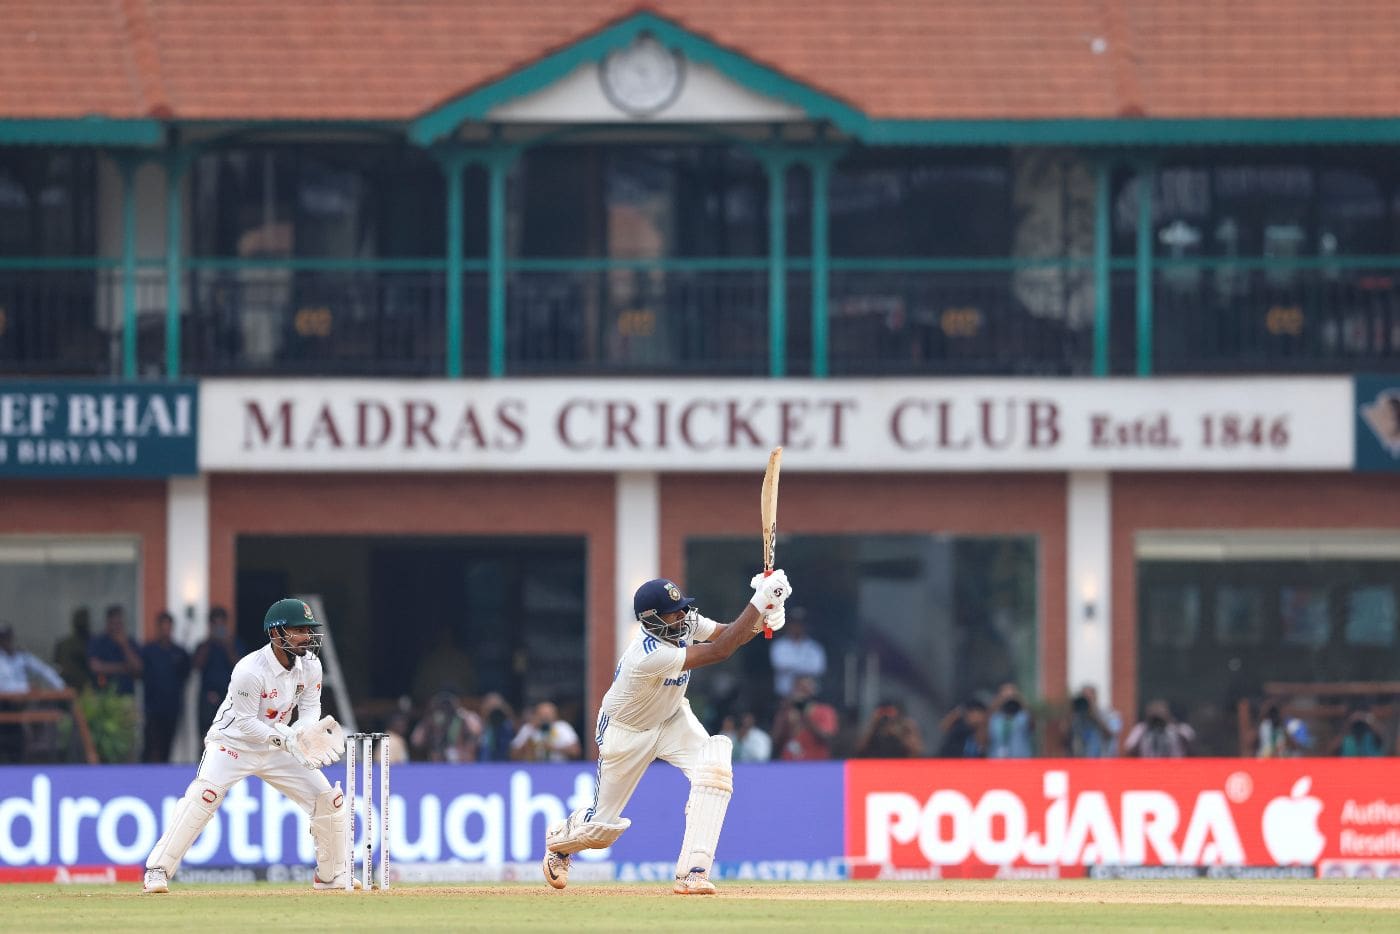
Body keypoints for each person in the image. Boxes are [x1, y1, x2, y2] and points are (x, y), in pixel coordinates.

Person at [541, 570, 790, 896]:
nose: (684, 616)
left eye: (684, 608)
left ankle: (693, 872)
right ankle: (560, 842)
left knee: (713, 769)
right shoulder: (646, 655)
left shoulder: (685, 623)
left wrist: (763, 616)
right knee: (599, 832)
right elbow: (720, 651)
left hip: (672, 717)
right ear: (653, 619)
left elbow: (727, 634)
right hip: (626, 733)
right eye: (675, 612)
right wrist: (758, 602)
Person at [143, 598, 348, 894]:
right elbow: (244, 723)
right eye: (299, 629)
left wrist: (301, 734)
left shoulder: (311, 665)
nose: (307, 636)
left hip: (279, 746)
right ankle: (157, 871)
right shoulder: (250, 670)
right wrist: (285, 738)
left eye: (308, 629)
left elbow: (310, 709)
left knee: (329, 800)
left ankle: (330, 877)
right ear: (276, 634)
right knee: (204, 796)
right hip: (233, 744)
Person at [0, 622, 67, 763]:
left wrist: (61, 687)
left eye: (8, 637)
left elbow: (44, 671)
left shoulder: (21, 657)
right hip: (4, 707)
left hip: (22, 708)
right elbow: (4, 686)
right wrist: (26, 688)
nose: (6, 641)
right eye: (3, 638)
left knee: (21, 744)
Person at [140, 611, 192, 763]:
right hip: (152, 706)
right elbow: (139, 671)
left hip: (172, 707)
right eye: (162, 627)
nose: (165, 630)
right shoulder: (148, 651)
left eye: (168, 627)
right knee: (151, 745)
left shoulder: (179, 652)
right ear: (158, 628)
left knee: (167, 746)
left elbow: (186, 675)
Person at [192, 606, 244, 734]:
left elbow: (240, 667)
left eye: (221, 624)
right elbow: (197, 666)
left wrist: (228, 645)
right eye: (215, 624)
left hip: (229, 698)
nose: (218, 628)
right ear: (210, 625)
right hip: (207, 697)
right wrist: (209, 641)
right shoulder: (203, 645)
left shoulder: (235, 644)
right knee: (205, 736)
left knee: (229, 736)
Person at [771, 675, 839, 760]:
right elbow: (775, 741)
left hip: (816, 765)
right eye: (797, 688)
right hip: (789, 764)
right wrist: (784, 712)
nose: (800, 693)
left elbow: (827, 737)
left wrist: (804, 714)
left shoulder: (825, 711)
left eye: (804, 689)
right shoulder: (787, 711)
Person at [768, 607, 826, 699]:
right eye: (794, 623)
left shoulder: (814, 647)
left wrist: (792, 668)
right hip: (785, 697)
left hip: (810, 697)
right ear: (788, 625)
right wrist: (805, 667)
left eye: (800, 624)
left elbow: (818, 668)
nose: (797, 627)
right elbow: (779, 664)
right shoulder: (779, 646)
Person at [410, 690, 483, 763]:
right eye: (443, 706)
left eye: (448, 706)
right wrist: (428, 718)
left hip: (460, 764)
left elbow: (477, 731)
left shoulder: (461, 720)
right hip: (437, 764)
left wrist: (463, 714)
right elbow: (416, 741)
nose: (446, 710)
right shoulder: (433, 721)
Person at [87, 604, 142, 695]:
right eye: (114, 623)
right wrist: (123, 668)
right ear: (108, 623)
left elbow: (138, 668)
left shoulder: (130, 642)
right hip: (103, 695)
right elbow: (95, 667)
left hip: (126, 696)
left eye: (119, 623)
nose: (117, 627)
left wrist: (125, 646)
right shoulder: (97, 641)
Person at [511, 701, 581, 762]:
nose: (545, 718)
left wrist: (552, 748)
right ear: (536, 715)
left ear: (555, 715)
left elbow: (575, 751)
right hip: (534, 768)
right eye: (542, 714)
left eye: (548, 714)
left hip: (558, 768)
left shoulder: (562, 727)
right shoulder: (528, 728)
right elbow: (513, 755)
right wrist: (530, 734)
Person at [1123, 699, 1195, 758]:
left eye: (1160, 712)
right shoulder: (1140, 729)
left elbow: (1191, 742)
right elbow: (1129, 747)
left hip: (1174, 766)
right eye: (1154, 712)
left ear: (1167, 713)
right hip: (1147, 765)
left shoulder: (1178, 728)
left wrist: (1172, 724)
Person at [1064, 684, 1120, 757]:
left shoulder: (1109, 713)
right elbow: (1064, 739)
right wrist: (1070, 714)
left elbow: (1111, 734)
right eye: (1084, 697)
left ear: (1095, 697)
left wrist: (1094, 716)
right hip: (1081, 761)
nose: (1087, 701)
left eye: (1089, 697)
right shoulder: (1077, 717)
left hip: (1102, 760)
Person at [855, 700, 923, 758]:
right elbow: (859, 751)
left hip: (902, 767)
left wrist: (903, 733)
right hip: (877, 767)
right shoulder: (874, 730)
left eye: (890, 712)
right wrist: (873, 724)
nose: (887, 716)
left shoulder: (905, 729)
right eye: (884, 712)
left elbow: (917, 751)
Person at [987, 682, 1035, 758]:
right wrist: (999, 701)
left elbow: (1032, 725)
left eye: (1012, 695)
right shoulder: (995, 717)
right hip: (997, 760)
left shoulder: (1022, 716)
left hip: (1021, 759)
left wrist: (1019, 700)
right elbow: (985, 733)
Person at [52, 608, 93, 692]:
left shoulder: (92, 643)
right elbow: (57, 667)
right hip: (70, 686)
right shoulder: (64, 644)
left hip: (82, 686)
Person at [478, 692, 517, 762]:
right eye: (489, 705)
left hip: (503, 761)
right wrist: (487, 715)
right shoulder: (478, 723)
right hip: (483, 762)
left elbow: (516, 733)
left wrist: (503, 709)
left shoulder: (506, 725)